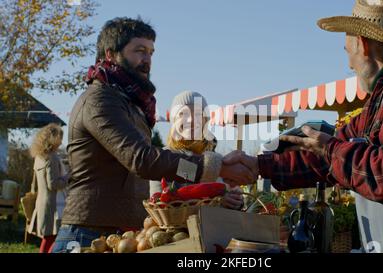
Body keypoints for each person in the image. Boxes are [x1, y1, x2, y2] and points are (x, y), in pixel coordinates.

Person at [226, 0, 383, 252]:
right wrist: (259, 166)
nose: (349, 64)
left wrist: (329, 149)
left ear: (362, 45)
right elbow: (328, 155)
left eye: (346, 50)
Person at [52, 17, 254, 253]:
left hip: (123, 233)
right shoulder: (100, 100)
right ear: (110, 54)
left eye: (150, 52)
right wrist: (215, 168)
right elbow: (143, 160)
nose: (147, 60)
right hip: (87, 234)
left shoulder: (131, 104)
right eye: (139, 51)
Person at [149, 91, 244, 210]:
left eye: (198, 114)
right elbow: (159, 206)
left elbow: (224, 193)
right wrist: (216, 202)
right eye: (182, 114)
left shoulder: (216, 159)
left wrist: (234, 200)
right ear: (173, 121)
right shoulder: (165, 158)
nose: (190, 120)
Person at [29, 123, 69, 253]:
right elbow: (54, 184)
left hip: (42, 203)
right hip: (53, 206)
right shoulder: (52, 158)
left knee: (48, 239)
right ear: (53, 139)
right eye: (60, 138)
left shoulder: (39, 157)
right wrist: (69, 177)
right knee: (52, 239)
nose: (61, 141)